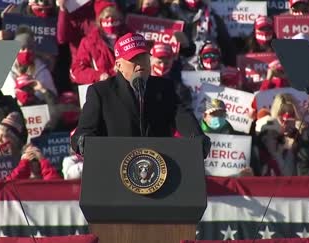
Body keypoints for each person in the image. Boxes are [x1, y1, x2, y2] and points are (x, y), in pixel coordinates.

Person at [71, 33, 210, 156]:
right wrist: (83, 142)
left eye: (143, 57)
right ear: (119, 65)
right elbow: (81, 135)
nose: (140, 63)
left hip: (159, 169)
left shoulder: (165, 88)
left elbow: (183, 117)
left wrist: (198, 138)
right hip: (115, 169)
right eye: (134, 59)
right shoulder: (101, 92)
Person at [70, 0, 126, 85]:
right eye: (106, 17)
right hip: (102, 88)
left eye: (114, 16)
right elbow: (76, 71)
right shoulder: (89, 42)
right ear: (99, 19)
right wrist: (99, 76)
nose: (110, 20)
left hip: (127, 87)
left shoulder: (129, 37)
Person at [0, 26, 57, 98]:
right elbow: (8, 93)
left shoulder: (42, 70)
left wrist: (35, 94)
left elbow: (51, 95)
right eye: (23, 48)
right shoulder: (7, 70)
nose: (26, 51)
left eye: (30, 48)